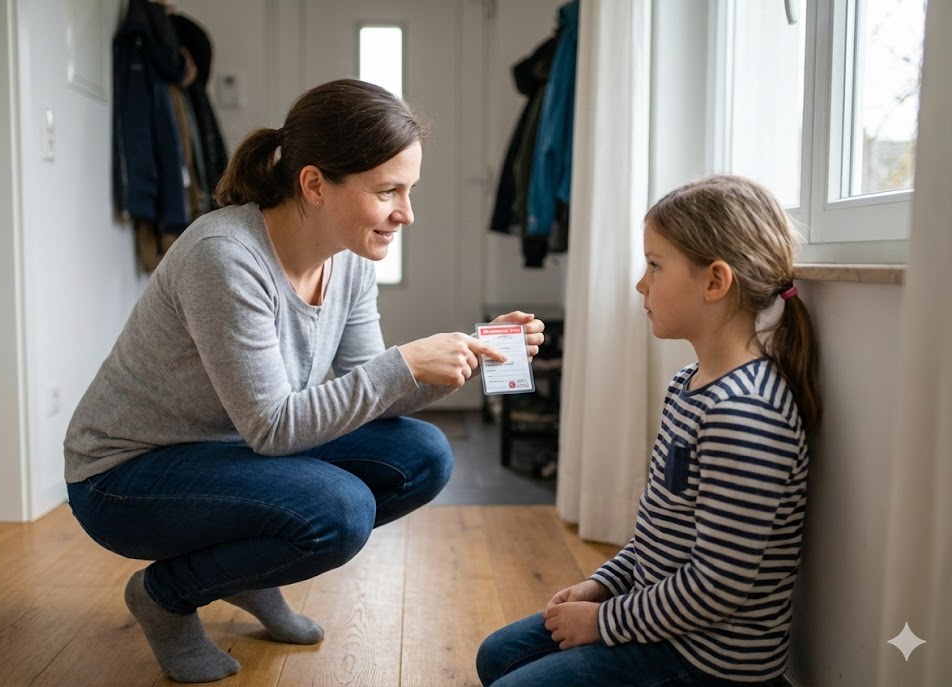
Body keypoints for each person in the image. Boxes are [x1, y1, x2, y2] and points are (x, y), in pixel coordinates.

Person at [64, 78, 545, 684]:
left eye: (410, 190)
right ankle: (164, 596)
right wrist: (406, 362)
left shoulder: (347, 257)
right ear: (314, 184)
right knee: (338, 510)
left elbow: (364, 394)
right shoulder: (225, 256)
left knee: (421, 454)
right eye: (388, 191)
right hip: (124, 477)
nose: (407, 213)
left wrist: (467, 355)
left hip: (231, 450)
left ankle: (249, 574)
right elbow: (275, 427)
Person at [476, 175, 820, 686]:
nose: (641, 283)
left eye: (655, 266)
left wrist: (602, 622)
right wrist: (602, 584)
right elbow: (661, 535)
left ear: (715, 282)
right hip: (662, 625)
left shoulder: (743, 414)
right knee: (497, 657)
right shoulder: (689, 385)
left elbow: (717, 586)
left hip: (708, 662)